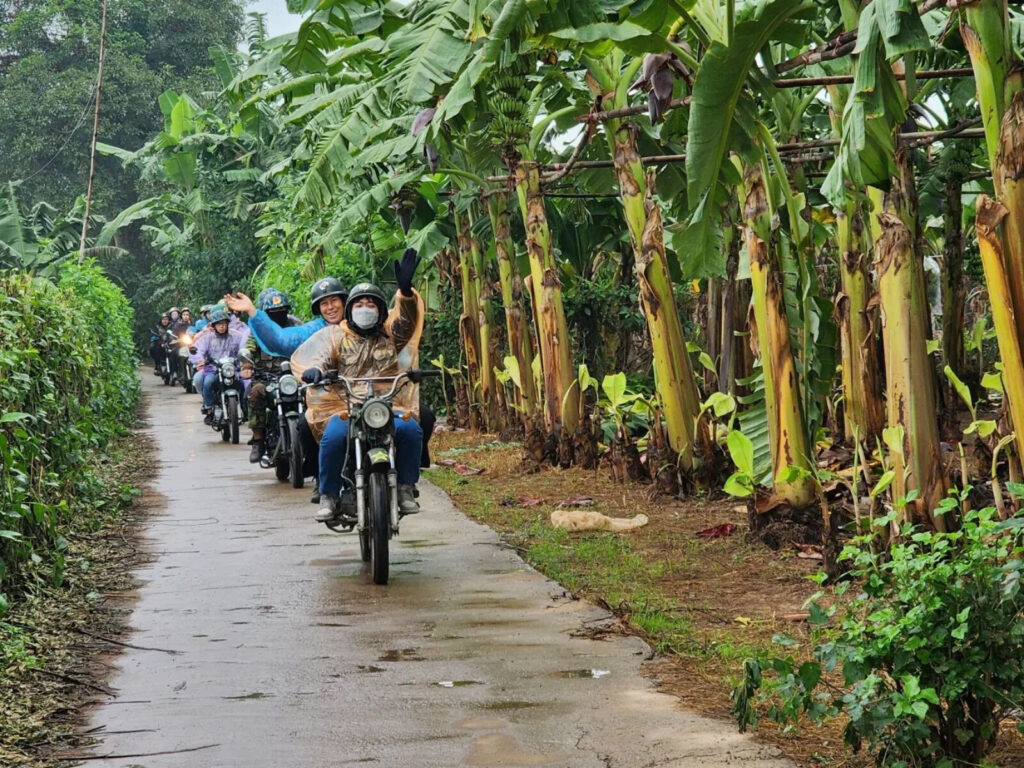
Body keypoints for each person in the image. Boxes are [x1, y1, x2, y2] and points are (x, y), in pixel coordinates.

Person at [292, 249, 425, 522]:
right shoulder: (334, 335)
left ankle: (405, 487)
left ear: (380, 310)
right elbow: (315, 356)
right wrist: (313, 370)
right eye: (360, 304)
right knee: (333, 437)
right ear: (351, 309)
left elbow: (408, 321)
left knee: (410, 428)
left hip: (388, 404)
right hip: (346, 406)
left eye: (372, 304)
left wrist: (406, 293)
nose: (366, 308)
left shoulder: (391, 334)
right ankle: (329, 494)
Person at [241, 288, 303, 463]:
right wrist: (246, 363)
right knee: (255, 392)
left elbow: (310, 342)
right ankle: (258, 440)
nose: (278, 314)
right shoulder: (259, 329)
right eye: (273, 312)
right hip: (266, 378)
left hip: (294, 377)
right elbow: (250, 346)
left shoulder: (296, 325)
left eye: (281, 310)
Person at [189, 309, 246, 424]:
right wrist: (200, 360)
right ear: (214, 325)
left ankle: (246, 409)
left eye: (224, 323)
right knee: (208, 382)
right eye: (219, 324)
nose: (222, 326)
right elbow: (198, 350)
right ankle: (209, 409)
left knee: (244, 383)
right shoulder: (207, 337)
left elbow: (245, 347)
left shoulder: (236, 336)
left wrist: (245, 358)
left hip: (232, 369)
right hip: (213, 369)